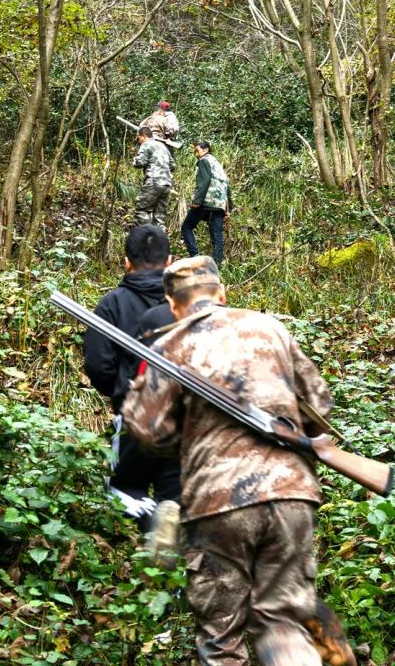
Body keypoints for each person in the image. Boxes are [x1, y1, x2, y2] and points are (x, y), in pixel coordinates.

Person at [122, 256, 344, 666]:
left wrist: (191, 442)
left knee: (222, 638)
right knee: (282, 624)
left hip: (217, 503)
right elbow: (320, 406)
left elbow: (145, 430)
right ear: (222, 293)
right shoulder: (272, 328)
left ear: (172, 304)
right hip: (292, 494)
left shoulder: (170, 344)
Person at [82, 225, 181, 530]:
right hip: (182, 420)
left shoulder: (111, 304)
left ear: (126, 261)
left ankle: (149, 523)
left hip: (133, 416)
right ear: (170, 262)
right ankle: (170, 550)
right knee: (174, 498)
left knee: (122, 488)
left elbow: (98, 365)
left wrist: (121, 393)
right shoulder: (183, 306)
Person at [182, 141, 232, 266]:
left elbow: (204, 181)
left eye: (197, 151)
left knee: (187, 227)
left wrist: (197, 201)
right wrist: (228, 208)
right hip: (219, 205)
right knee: (217, 236)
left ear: (206, 150)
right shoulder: (218, 165)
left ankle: (195, 257)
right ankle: (217, 265)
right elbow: (226, 186)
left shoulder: (204, 161)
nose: (196, 154)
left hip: (207, 202)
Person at [132, 126, 175, 228]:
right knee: (160, 216)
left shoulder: (146, 144)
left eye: (138, 138)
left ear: (143, 136)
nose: (139, 141)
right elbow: (172, 165)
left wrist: (134, 159)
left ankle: (146, 236)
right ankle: (160, 240)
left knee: (142, 209)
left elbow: (140, 162)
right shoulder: (162, 146)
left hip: (154, 182)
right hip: (167, 184)